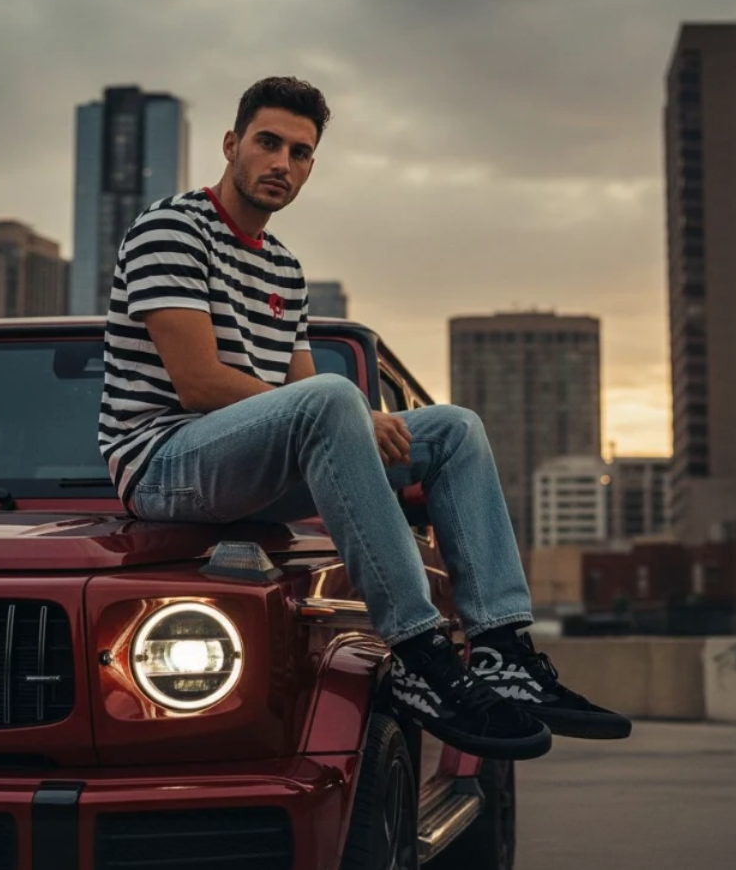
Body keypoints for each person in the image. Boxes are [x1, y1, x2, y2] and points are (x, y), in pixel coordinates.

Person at [98, 76, 630, 760]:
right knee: (335, 398)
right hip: (162, 463)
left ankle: (501, 649)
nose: (282, 164)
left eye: (300, 153)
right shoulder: (171, 227)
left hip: (245, 467)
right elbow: (197, 382)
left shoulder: (284, 269)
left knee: (454, 428)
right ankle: (418, 653)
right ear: (231, 145)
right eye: (267, 143)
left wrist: (355, 421)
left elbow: (302, 393)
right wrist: (345, 411)